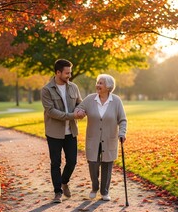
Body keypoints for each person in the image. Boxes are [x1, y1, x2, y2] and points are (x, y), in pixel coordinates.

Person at [75, 74, 127, 201]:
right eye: (97, 82)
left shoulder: (116, 101)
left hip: (110, 138)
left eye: (101, 83)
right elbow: (78, 108)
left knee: (107, 164)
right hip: (93, 139)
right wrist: (79, 112)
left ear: (108, 86)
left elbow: (123, 119)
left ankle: (104, 192)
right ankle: (94, 187)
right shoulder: (90, 99)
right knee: (92, 163)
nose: (97, 85)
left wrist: (122, 133)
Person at [41, 59, 86, 203]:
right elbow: (51, 111)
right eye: (67, 73)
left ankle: (64, 181)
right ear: (58, 72)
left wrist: (81, 111)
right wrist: (73, 115)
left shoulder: (73, 87)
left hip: (71, 131)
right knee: (55, 163)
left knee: (72, 161)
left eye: (70, 72)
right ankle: (57, 192)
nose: (69, 75)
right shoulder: (46, 90)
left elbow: (80, 103)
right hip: (54, 132)